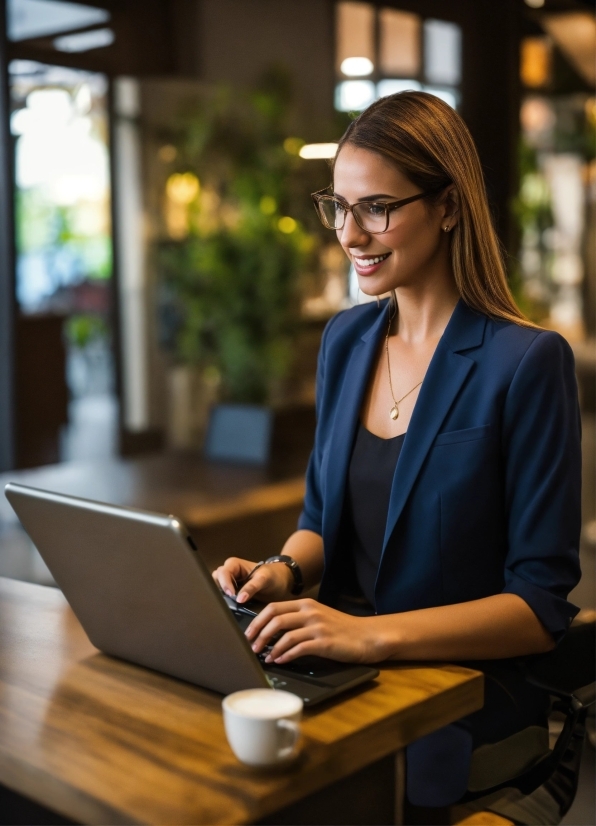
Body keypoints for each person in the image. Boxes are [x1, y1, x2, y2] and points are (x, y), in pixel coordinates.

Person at [213, 92, 581, 813]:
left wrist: (367, 637)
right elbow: (320, 522)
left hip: (459, 700)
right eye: (338, 207)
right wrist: (281, 573)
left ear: (447, 206)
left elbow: (539, 607)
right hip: (340, 675)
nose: (351, 234)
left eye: (377, 207)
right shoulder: (345, 342)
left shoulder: (527, 362)